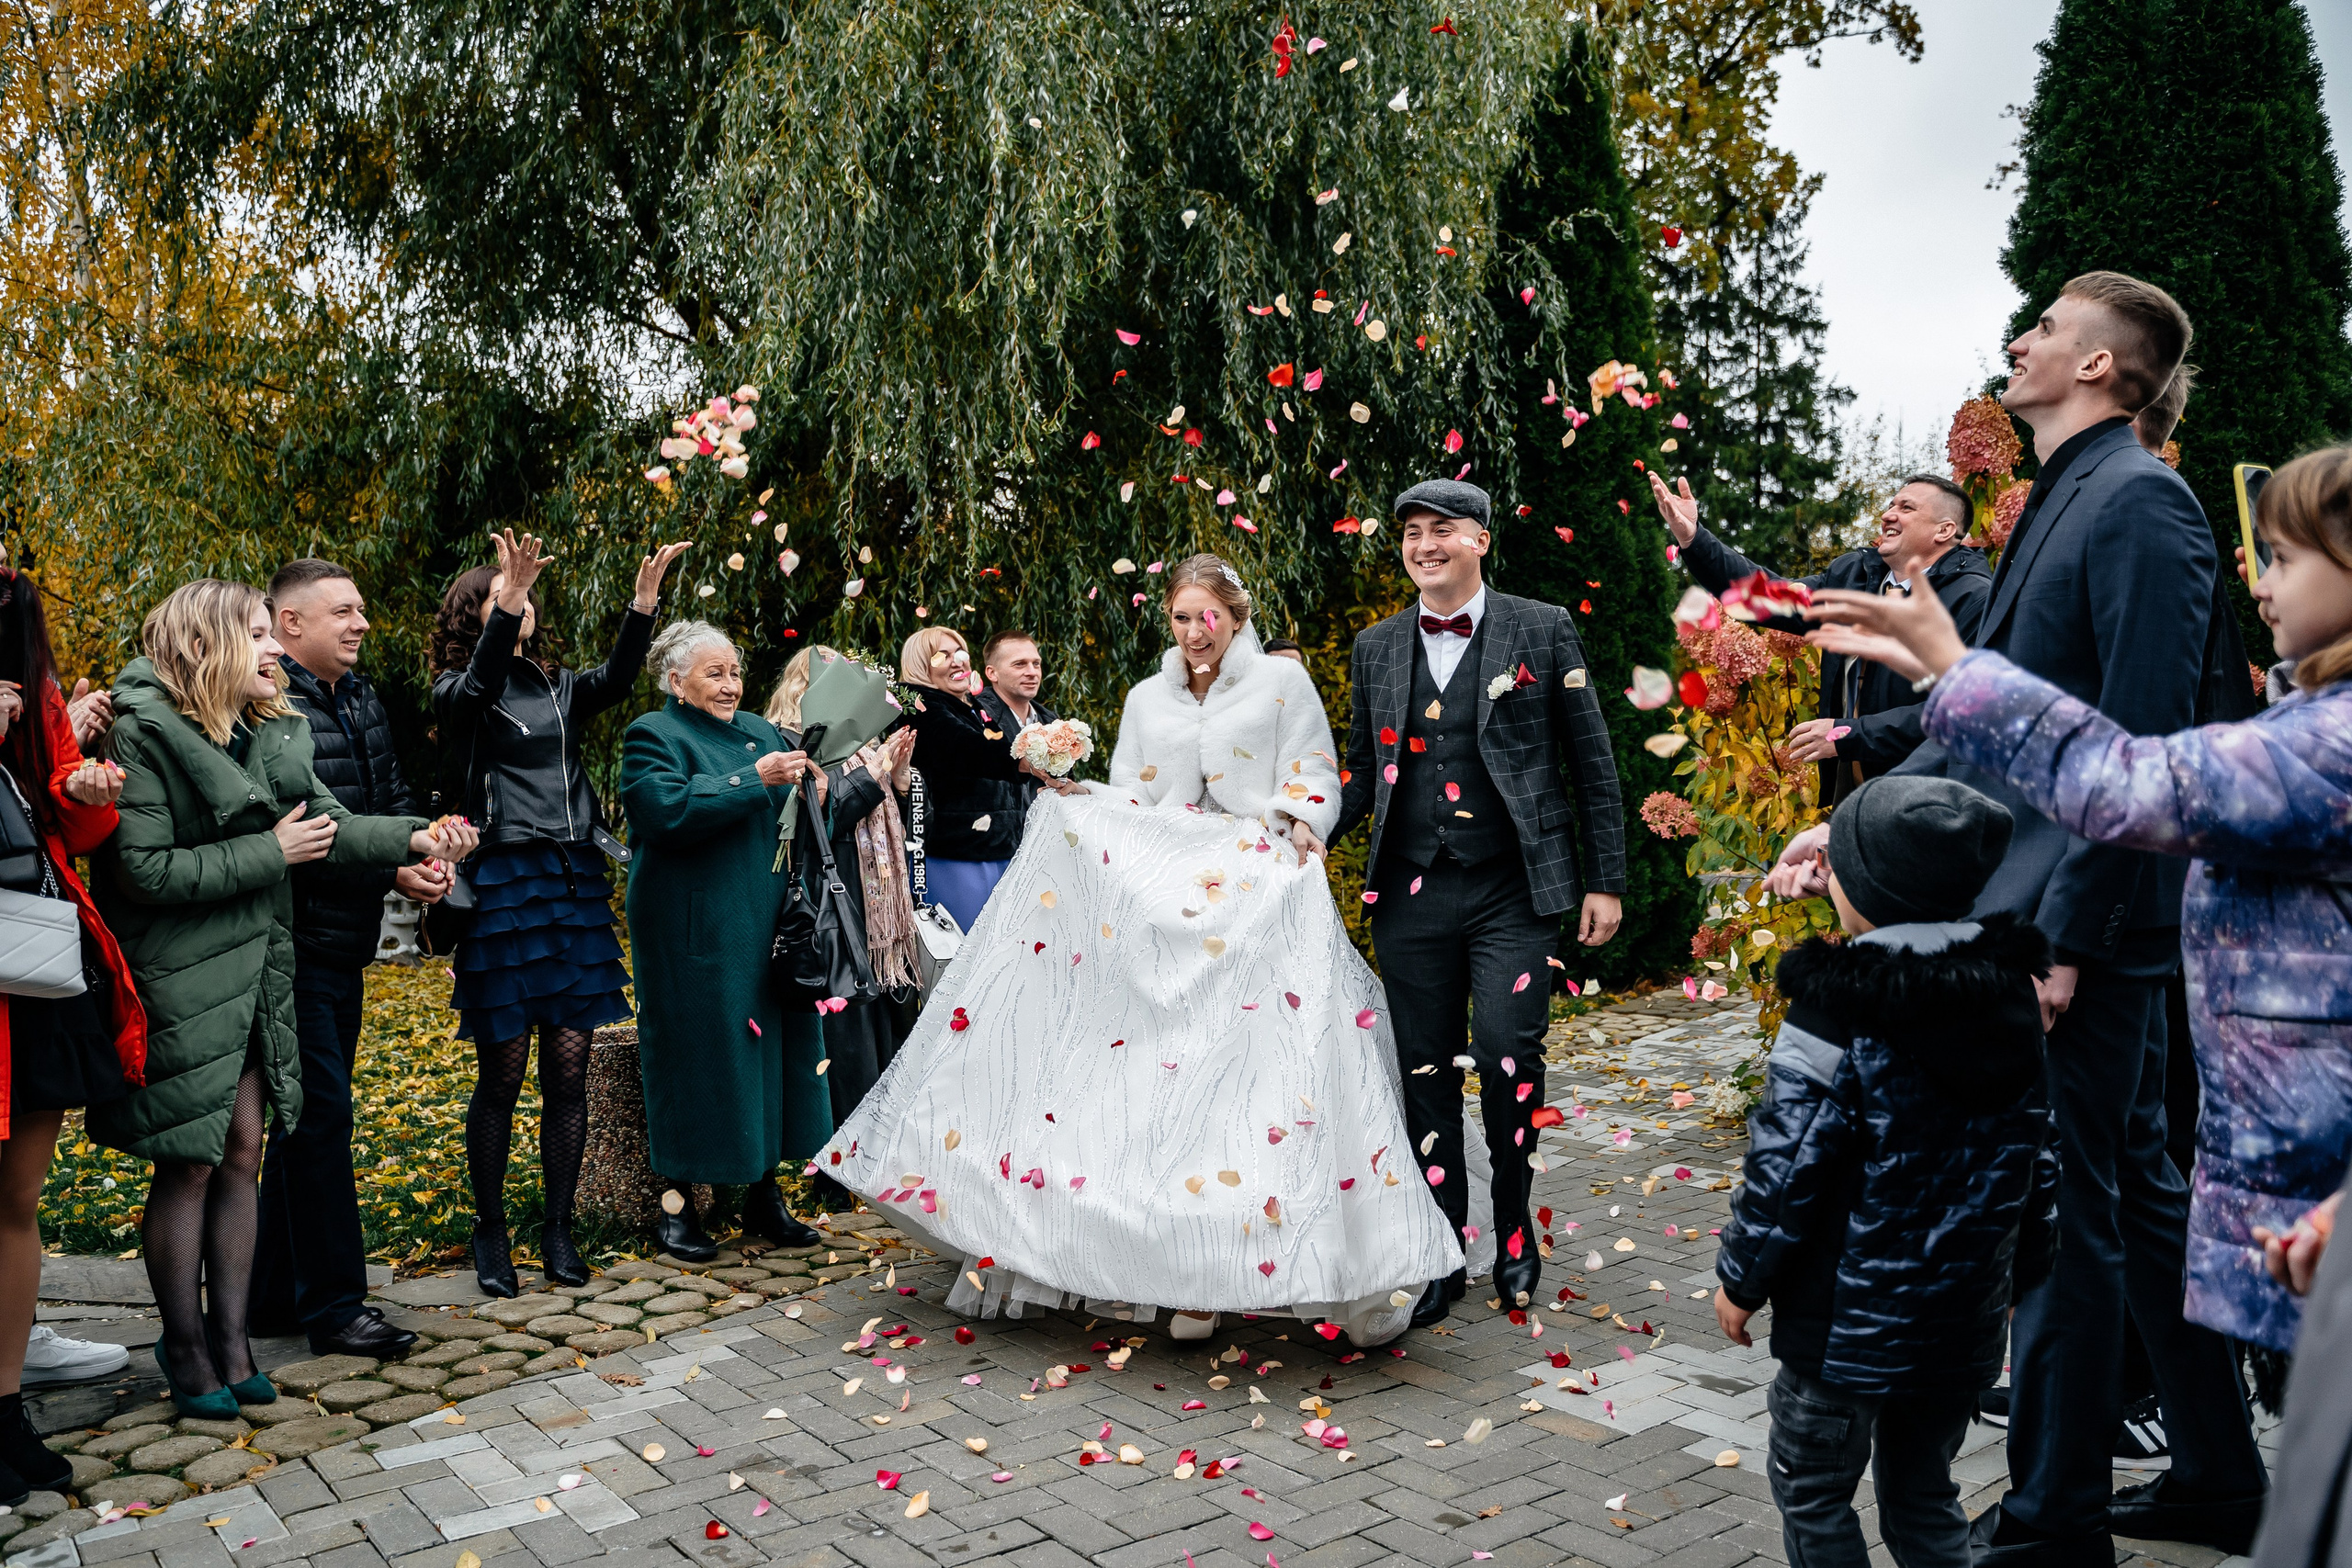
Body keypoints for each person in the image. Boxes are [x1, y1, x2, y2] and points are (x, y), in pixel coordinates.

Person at [1788, 363, 2295, 1566]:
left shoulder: (2139, 504)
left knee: (2066, 1210)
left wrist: (2061, 931)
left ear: (2106, 370)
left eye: (2052, 330)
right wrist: (1868, 821)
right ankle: (2219, 1470)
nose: (2025, 348)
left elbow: (2118, 744)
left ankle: (2055, 1517)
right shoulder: (2094, 502)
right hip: (2109, 907)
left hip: (2095, 915)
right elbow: (2028, 728)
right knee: (2133, 1186)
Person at [820, 555, 1463, 1345]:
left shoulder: (1282, 686)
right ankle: (1168, 1268)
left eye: (1209, 616)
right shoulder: (1145, 698)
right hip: (1163, 892)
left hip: (1253, 888)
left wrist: (1304, 819)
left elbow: (1313, 772)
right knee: (1159, 1074)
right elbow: (1129, 792)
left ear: (1236, 613)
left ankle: (1247, 1263)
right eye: (1182, 617)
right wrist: (1077, 797)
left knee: (1256, 1072)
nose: (1197, 633)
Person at [87, 581, 472, 1418]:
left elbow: (332, 824)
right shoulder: (142, 734)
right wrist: (270, 851)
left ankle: (234, 1339)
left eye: (272, 632)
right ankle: (184, 1345)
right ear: (206, 645)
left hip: (257, 971)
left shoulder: (265, 730)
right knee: (189, 1159)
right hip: (180, 977)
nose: (273, 649)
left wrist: (416, 833)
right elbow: (143, 873)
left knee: (243, 1151)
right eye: (257, 634)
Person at [1715, 775, 2059, 1568]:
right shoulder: (2009, 992)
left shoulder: (1836, 1004)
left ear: (1861, 887)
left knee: (1812, 1487)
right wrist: (2023, 1274)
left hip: (1843, 1324)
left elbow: (1787, 1159)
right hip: (1959, 1319)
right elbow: (2039, 1154)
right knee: (1923, 1493)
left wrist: (1742, 1278)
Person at [1333, 479, 1625, 1330]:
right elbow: (1358, 771)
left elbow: (1592, 762)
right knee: (1423, 1074)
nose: (1425, 544)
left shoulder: (1542, 627)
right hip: (1411, 894)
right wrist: (1302, 830)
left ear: (1481, 541)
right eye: (1412, 532)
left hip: (1512, 890)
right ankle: (1441, 1250)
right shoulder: (1377, 645)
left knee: (1506, 1057)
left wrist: (1602, 879)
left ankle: (1516, 1228)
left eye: (1443, 530)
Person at [431, 529, 689, 1296]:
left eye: (524, 592)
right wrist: (503, 606)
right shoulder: (457, 692)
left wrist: (642, 605)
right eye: (501, 594)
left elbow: (614, 678)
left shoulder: (558, 685)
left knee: (568, 1074)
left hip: (571, 884)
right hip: (506, 887)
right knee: (502, 1077)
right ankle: (490, 1231)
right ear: (472, 615)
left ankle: (559, 1228)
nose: (521, 600)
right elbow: (476, 686)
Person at [249, 559, 448, 1360]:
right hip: (289, 944)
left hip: (347, 940)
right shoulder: (268, 703)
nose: (362, 622)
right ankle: (335, 1306)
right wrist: (396, 846)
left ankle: (270, 1297)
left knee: (303, 1124)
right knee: (320, 1118)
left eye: (362, 608)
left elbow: (377, 802)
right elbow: (302, 825)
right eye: (344, 611)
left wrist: (402, 863)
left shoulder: (361, 698)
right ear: (290, 622)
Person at [0, 560, 142, 1504]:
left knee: (16, 1197)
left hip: (26, 963)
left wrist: (87, 786)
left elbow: (71, 820)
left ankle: (3, 1406)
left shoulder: (19, 626)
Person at [620, 623, 827, 1258]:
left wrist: (807, 789)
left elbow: (787, 816)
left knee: (773, 1057)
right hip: (693, 926)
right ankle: (677, 1208)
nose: (731, 684)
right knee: (695, 1056)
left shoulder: (763, 732)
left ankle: (764, 1197)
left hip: (762, 920)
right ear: (676, 681)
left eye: (735, 672)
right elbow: (661, 810)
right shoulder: (654, 733)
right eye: (715, 673)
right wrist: (750, 780)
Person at [1650, 468, 1991, 806]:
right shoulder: (1855, 578)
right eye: (1891, 505)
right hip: (1854, 790)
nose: (1888, 515)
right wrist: (1694, 539)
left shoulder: (1973, 601)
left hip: (1930, 795)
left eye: (1906, 508)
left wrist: (1849, 735)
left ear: (1944, 530)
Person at [764, 650, 921, 1149]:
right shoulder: (790, 742)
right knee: (846, 1031)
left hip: (881, 910)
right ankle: (844, 1152)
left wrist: (896, 782)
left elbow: (910, 831)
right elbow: (818, 825)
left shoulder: (861, 743)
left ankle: (887, 1144)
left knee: (888, 1021)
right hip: (834, 897)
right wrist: (872, 778)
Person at [900, 627, 1060, 933]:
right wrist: (1024, 761)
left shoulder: (970, 707)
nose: (956, 662)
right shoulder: (921, 707)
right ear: (922, 664)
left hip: (996, 851)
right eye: (942, 656)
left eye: (959, 653)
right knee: (962, 956)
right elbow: (967, 749)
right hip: (953, 857)